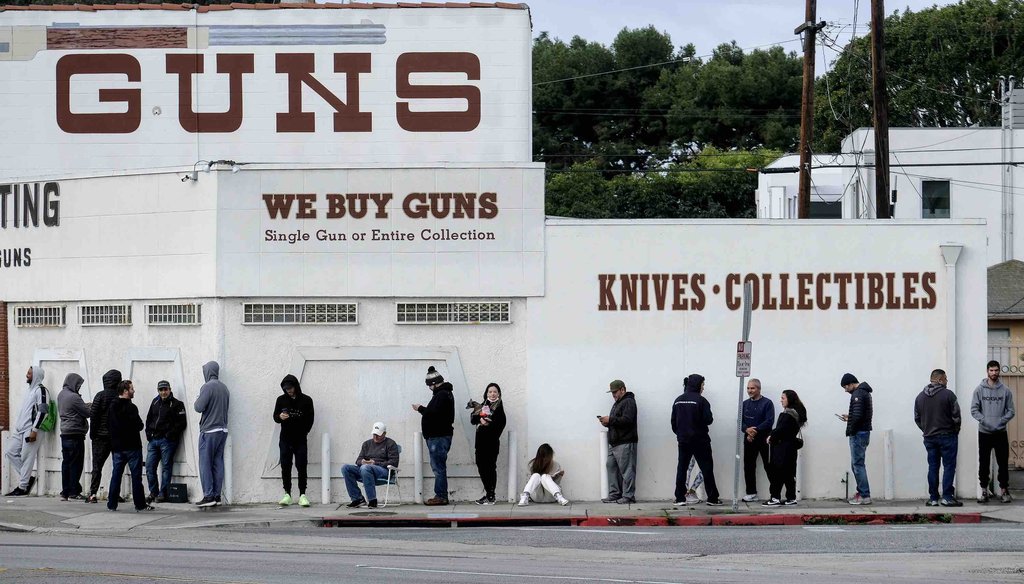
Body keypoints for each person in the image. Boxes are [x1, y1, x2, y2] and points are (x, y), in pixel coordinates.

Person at [671, 374, 723, 506]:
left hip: (683, 441)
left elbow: (673, 422)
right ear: (698, 384)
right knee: (707, 468)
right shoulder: (701, 401)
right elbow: (709, 420)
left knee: (681, 468)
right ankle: (712, 498)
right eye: (703, 384)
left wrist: (680, 434)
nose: (703, 387)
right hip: (700, 440)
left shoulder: (678, 400)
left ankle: (680, 498)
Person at [915, 368, 962, 507]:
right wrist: (955, 431)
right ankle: (947, 497)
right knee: (949, 466)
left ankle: (933, 498)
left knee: (933, 467)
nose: (947, 381)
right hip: (948, 436)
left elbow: (917, 418)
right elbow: (957, 417)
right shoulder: (948, 395)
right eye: (946, 378)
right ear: (940, 379)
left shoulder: (920, 397)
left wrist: (926, 429)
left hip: (929, 437)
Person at [971, 360, 1016, 503]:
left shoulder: (1005, 391)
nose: (994, 373)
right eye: (991, 370)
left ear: (999, 371)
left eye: (996, 370)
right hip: (984, 432)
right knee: (983, 462)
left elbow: (1011, 411)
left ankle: (1004, 490)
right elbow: (974, 410)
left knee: (1002, 463)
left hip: (1000, 432)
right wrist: (985, 421)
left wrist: (1000, 421)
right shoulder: (979, 390)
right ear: (987, 371)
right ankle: (984, 490)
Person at [107, 380, 154, 512]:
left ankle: (112, 504)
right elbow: (139, 425)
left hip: (117, 447)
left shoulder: (112, 406)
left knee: (116, 475)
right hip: (132, 446)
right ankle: (139, 504)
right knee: (136, 477)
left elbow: (109, 425)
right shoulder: (131, 407)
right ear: (126, 391)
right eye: (132, 389)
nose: (134, 391)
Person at [413, 366, 455, 506]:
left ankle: (441, 496)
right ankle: (441, 495)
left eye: (429, 386)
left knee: (438, 467)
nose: (429, 389)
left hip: (438, 437)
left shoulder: (442, 395)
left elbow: (433, 413)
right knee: (438, 466)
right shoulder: (444, 394)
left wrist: (420, 408)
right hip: (439, 436)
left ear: (433, 384)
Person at [4, 365, 48, 497]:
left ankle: (22, 487)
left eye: (29, 373)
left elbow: (43, 411)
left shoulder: (41, 390)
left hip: (32, 429)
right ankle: (28, 480)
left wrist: (34, 429)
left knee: (27, 457)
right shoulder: (29, 390)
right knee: (10, 451)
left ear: (36, 375)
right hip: (20, 430)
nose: (26, 375)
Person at [273, 374, 315, 507]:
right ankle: (287, 493)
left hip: (300, 439)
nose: (289, 391)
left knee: (301, 465)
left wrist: (304, 432)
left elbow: (310, 419)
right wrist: (280, 416)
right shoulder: (281, 400)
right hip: (285, 438)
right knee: (285, 465)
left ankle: (302, 494)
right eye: (286, 389)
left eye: (290, 388)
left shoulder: (306, 400)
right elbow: (275, 416)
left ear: (296, 386)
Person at [144, 380, 187, 504]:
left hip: (167, 441)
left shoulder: (177, 404)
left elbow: (181, 423)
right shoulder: (155, 402)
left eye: (165, 389)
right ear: (158, 390)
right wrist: (149, 434)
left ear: (170, 389)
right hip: (153, 440)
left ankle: (163, 493)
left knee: (166, 467)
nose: (163, 392)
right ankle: (153, 492)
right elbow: (149, 419)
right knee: (149, 467)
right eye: (161, 390)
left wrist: (169, 435)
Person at [763, 389, 807, 507]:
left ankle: (775, 497)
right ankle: (791, 498)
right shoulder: (797, 413)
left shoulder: (787, 414)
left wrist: (770, 437)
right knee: (789, 474)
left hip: (781, 448)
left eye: (783, 398)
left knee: (777, 473)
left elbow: (780, 430)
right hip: (791, 448)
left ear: (789, 399)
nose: (781, 400)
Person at [341, 422, 401, 509]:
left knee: (366, 468)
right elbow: (357, 461)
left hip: (384, 470)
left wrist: (375, 463)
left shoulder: (391, 443)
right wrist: (362, 461)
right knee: (345, 468)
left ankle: (372, 500)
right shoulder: (366, 444)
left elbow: (394, 462)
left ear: (384, 433)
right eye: (374, 434)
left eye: (378, 435)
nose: (375, 437)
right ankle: (358, 498)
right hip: (365, 470)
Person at [195, 361, 230, 508]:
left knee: (205, 464)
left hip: (209, 431)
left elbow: (198, 407)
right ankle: (217, 495)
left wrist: (197, 398)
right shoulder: (224, 388)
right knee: (217, 463)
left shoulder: (207, 387)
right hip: (222, 430)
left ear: (207, 372)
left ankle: (208, 496)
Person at [598, 379, 638, 504]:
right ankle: (615, 494)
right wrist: (607, 422)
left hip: (625, 441)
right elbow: (619, 421)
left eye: (615, 392)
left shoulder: (629, 402)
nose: (613, 395)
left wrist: (610, 420)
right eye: (612, 392)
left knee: (627, 471)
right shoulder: (618, 403)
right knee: (611, 466)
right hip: (615, 442)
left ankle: (628, 496)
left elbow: (628, 420)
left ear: (622, 389)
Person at [85, 369, 122, 504]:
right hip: (116, 437)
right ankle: (115, 493)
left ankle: (93, 493)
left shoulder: (100, 396)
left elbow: (94, 416)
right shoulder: (119, 396)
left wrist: (93, 434)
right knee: (117, 467)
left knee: (97, 466)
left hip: (100, 437)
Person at [839, 373, 873, 505]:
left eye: (846, 387)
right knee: (857, 465)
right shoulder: (865, 393)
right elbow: (860, 415)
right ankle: (862, 493)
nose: (846, 390)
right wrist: (850, 417)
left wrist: (851, 426)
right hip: (864, 432)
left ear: (852, 383)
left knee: (858, 465)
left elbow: (858, 417)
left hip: (858, 433)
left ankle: (864, 495)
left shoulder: (858, 394)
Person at [472, 382, 507, 505]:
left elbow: (499, 426)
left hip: (491, 445)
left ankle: (491, 495)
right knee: (481, 467)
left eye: (495, 392)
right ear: (486, 393)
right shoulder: (482, 405)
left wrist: (487, 424)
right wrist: (480, 419)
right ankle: (488, 494)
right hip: (480, 444)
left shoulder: (499, 409)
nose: (492, 394)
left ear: (499, 394)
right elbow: (473, 418)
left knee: (490, 468)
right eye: (490, 392)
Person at [740, 378, 774, 502]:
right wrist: (746, 430)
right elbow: (740, 421)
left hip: (764, 439)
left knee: (769, 465)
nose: (750, 390)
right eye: (748, 388)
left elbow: (769, 421)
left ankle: (775, 494)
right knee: (748, 466)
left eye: (752, 388)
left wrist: (754, 430)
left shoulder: (767, 403)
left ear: (759, 389)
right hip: (749, 439)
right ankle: (751, 493)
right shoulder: (744, 404)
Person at [57, 373, 90, 501]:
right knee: (76, 463)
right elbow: (87, 413)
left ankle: (65, 491)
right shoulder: (74, 397)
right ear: (73, 383)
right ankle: (74, 491)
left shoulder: (61, 394)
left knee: (66, 463)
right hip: (75, 433)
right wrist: (91, 405)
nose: (79, 387)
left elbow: (76, 408)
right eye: (79, 384)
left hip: (64, 433)